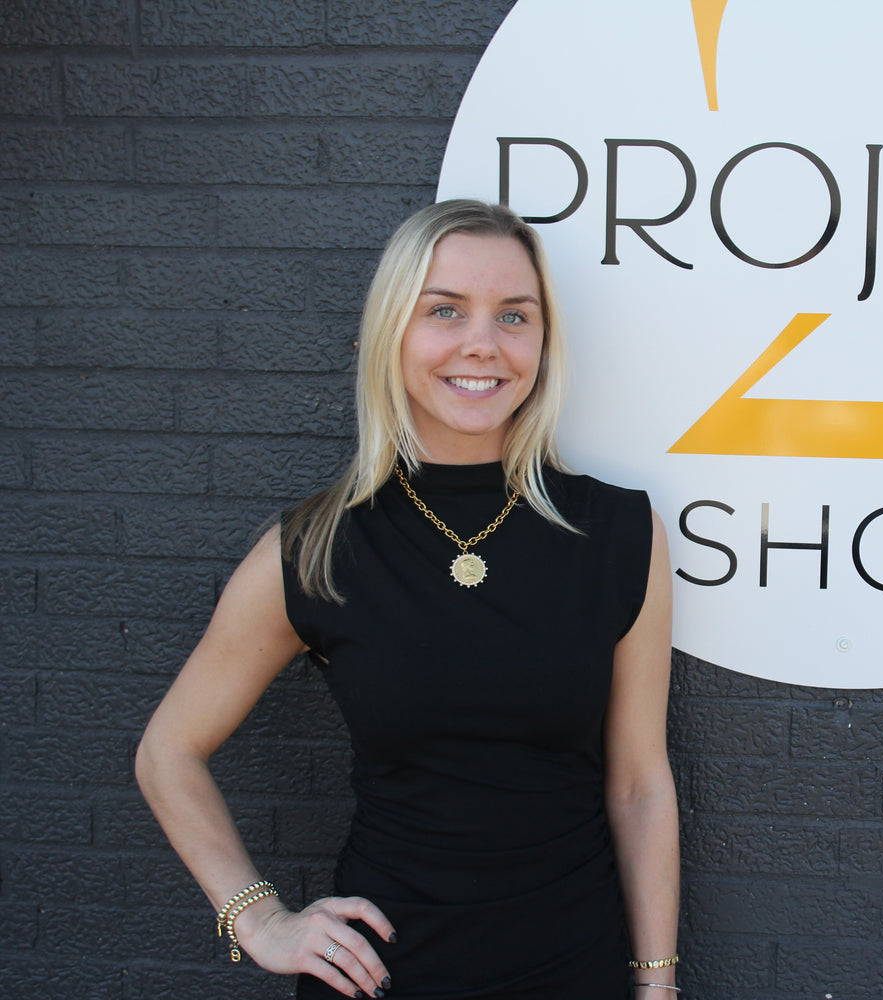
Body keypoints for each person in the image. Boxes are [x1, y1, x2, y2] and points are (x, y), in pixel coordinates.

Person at [135, 200, 680, 1000]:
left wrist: (656, 985)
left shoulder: (618, 533)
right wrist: (256, 917)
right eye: (445, 311)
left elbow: (638, 783)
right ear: (391, 331)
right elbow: (167, 751)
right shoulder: (316, 548)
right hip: (383, 975)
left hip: (572, 968)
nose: (482, 344)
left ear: (543, 342)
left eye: (514, 316)